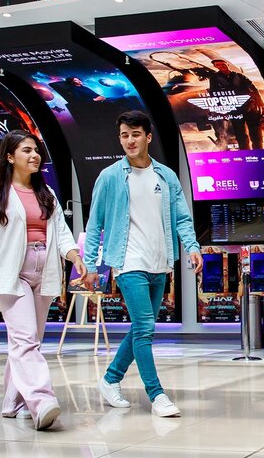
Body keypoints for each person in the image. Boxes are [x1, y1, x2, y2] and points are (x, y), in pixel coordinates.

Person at [82, 111, 203, 417]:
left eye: (135, 134)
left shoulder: (166, 176)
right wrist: (91, 265)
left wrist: (192, 247)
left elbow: (182, 217)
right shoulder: (110, 176)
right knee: (146, 329)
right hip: (128, 262)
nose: (129, 140)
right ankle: (157, 394)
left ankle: (110, 379)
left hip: (160, 263)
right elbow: (94, 224)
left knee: (141, 327)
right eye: (124, 135)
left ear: (148, 137)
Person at [0, 130, 84, 430]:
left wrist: (75, 257)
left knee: (28, 340)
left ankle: (12, 402)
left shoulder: (47, 194)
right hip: (11, 273)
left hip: (44, 271)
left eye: (36, 150)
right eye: (27, 150)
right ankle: (41, 400)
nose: (35, 155)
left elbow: (62, 233)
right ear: (10, 157)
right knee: (25, 339)